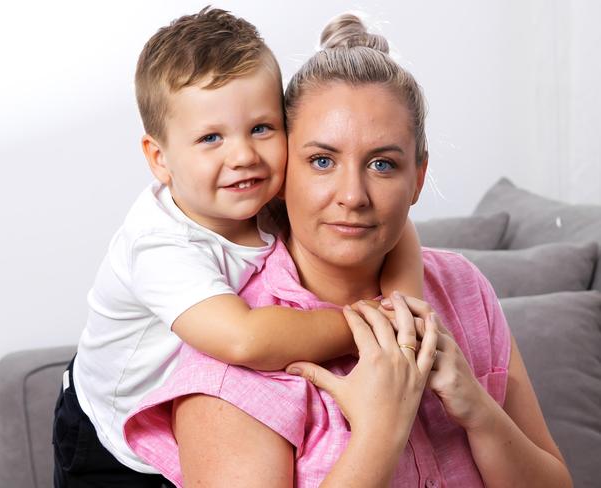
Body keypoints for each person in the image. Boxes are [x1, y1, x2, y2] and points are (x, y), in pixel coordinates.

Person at [123, 13, 573, 488]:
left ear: (417, 178)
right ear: (280, 174)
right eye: (322, 161)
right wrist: (381, 431)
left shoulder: (463, 289)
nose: (353, 195)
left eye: (382, 164)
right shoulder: (233, 366)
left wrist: (479, 413)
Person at [52, 8, 423, 488]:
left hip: (191, 429)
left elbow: (400, 229)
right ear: (159, 158)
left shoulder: (262, 193)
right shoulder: (159, 247)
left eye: (262, 128)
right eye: (211, 138)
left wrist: (405, 310)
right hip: (111, 439)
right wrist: (368, 322)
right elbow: (245, 339)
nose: (243, 155)